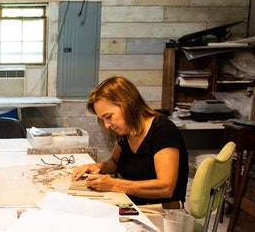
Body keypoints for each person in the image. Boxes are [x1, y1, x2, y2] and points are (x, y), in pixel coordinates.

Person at [71, 75, 189, 209]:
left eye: (108, 117)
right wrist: (96, 166)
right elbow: (114, 162)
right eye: (102, 120)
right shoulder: (126, 132)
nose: (107, 125)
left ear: (127, 105)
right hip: (132, 203)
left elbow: (166, 187)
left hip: (162, 209)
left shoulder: (164, 132)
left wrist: (114, 184)